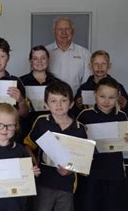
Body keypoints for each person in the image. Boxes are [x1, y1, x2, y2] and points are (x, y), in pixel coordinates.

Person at [76, 77, 128, 211]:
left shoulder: (121, 116)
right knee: (88, 206)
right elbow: (76, 141)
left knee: (112, 206)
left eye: (111, 97)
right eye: (102, 96)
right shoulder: (84, 115)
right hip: (90, 173)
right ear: (95, 95)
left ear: (118, 98)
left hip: (114, 172)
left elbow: (126, 141)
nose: (106, 101)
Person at [24, 80, 87, 211]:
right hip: (44, 182)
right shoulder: (42, 122)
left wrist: (71, 169)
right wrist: (32, 160)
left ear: (71, 104)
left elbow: (84, 161)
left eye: (63, 100)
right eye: (53, 101)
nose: (58, 105)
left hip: (67, 184)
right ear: (46, 105)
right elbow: (28, 145)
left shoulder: (79, 128)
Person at [73, 50, 128, 119]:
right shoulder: (84, 88)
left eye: (103, 63)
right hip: (89, 127)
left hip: (112, 126)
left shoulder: (118, 87)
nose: (100, 67)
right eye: (96, 64)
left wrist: (125, 105)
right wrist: (77, 106)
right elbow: (74, 115)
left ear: (109, 66)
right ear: (90, 66)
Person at [0, 37, 29, 118]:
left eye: (2, 56)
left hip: (8, 128)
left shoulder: (16, 81)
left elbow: (24, 114)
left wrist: (21, 101)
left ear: (8, 58)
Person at [20, 45, 58, 142]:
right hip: (26, 128)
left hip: (51, 129)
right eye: (35, 58)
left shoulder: (57, 83)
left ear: (48, 60)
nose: (39, 61)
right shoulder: (20, 82)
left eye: (43, 58)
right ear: (30, 61)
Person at [46, 17, 91, 95]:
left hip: (76, 101)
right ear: (54, 31)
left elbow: (87, 81)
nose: (64, 32)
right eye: (60, 29)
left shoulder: (84, 53)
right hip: (51, 101)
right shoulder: (45, 52)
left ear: (73, 31)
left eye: (67, 29)